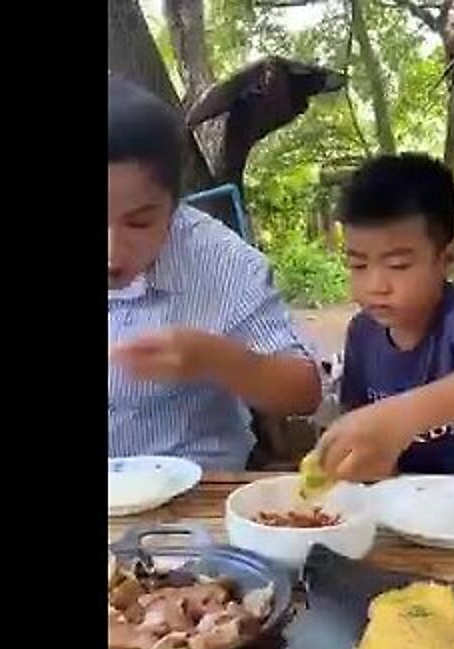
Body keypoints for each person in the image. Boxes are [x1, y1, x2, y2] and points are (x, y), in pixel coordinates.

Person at [107, 75, 322, 470]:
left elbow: (305, 391)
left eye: (138, 223)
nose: (112, 252)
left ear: (175, 205)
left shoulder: (219, 261)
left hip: (193, 492)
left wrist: (217, 359)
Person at [315, 153, 454, 479]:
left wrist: (398, 418)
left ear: (447, 259)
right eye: (358, 265)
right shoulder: (362, 333)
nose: (376, 286)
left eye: (398, 266)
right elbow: (358, 420)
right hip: (405, 503)